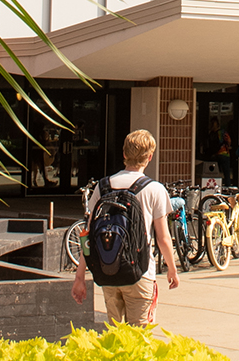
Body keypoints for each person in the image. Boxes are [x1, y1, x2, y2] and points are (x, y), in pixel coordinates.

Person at [71, 129, 182, 325]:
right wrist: (172, 269)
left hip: (108, 270)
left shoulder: (102, 187)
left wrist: (80, 276)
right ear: (149, 157)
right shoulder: (154, 189)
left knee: (115, 338)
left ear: (124, 154)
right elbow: (163, 238)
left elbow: (87, 236)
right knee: (138, 341)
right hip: (141, 272)